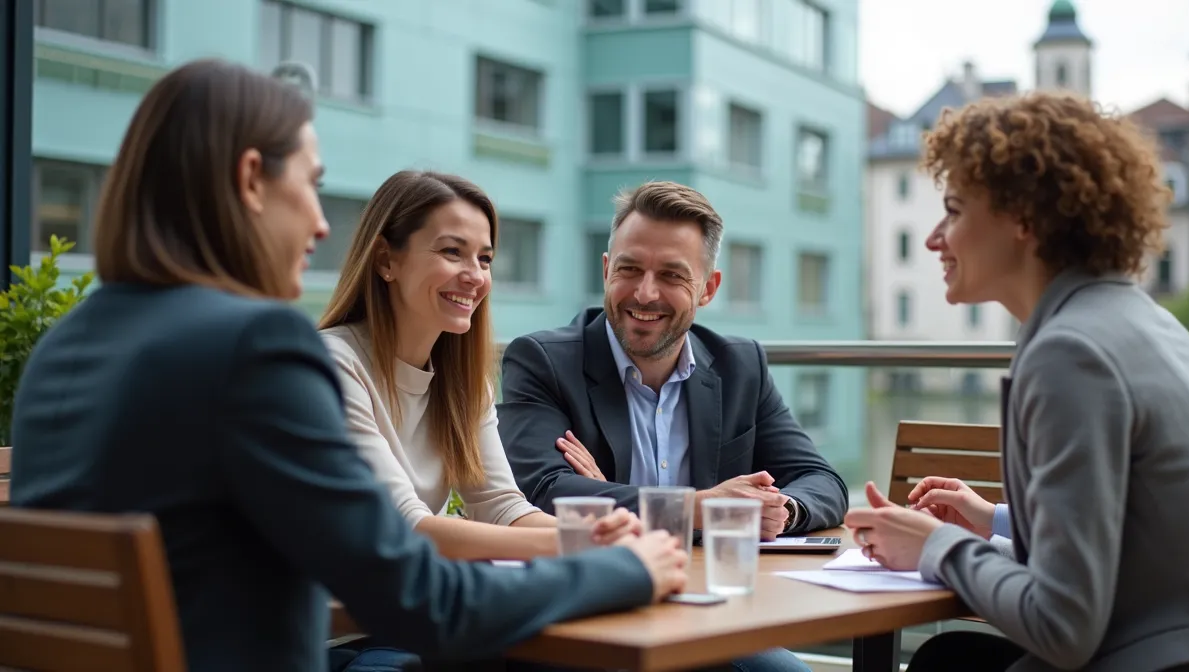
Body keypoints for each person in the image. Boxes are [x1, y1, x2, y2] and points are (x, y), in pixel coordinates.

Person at [7, 58, 687, 672]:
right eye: (311, 184)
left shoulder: (64, 347)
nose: (323, 223)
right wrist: (624, 570)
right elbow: (425, 601)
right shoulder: (256, 347)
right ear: (251, 180)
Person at [843, 91, 1189, 672]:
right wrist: (993, 519)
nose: (934, 238)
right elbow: (1131, 527)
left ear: (1024, 219)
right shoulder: (1139, 320)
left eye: (955, 210)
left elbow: (1063, 625)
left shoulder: (1071, 352)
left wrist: (935, 547)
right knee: (950, 658)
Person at [498, 180, 849, 672]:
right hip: (586, 619)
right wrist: (704, 508)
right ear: (605, 271)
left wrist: (777, 511)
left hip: (706, 613)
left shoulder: (739, 365)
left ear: (708, 288)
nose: (645, 292)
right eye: (629, 269)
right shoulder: (543, 361)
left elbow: (824, 481)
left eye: (671, 275)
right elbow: (543, 492)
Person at [318, 170, 639, 562]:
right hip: (338, 619)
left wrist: (612, 534)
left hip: (407, 606)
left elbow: (503, 509)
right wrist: (583, 541)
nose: (475, 277)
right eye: (452, 252)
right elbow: (404, 526)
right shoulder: (332, 366)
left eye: (484, 258)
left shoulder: (465, 384)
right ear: (386, 260)